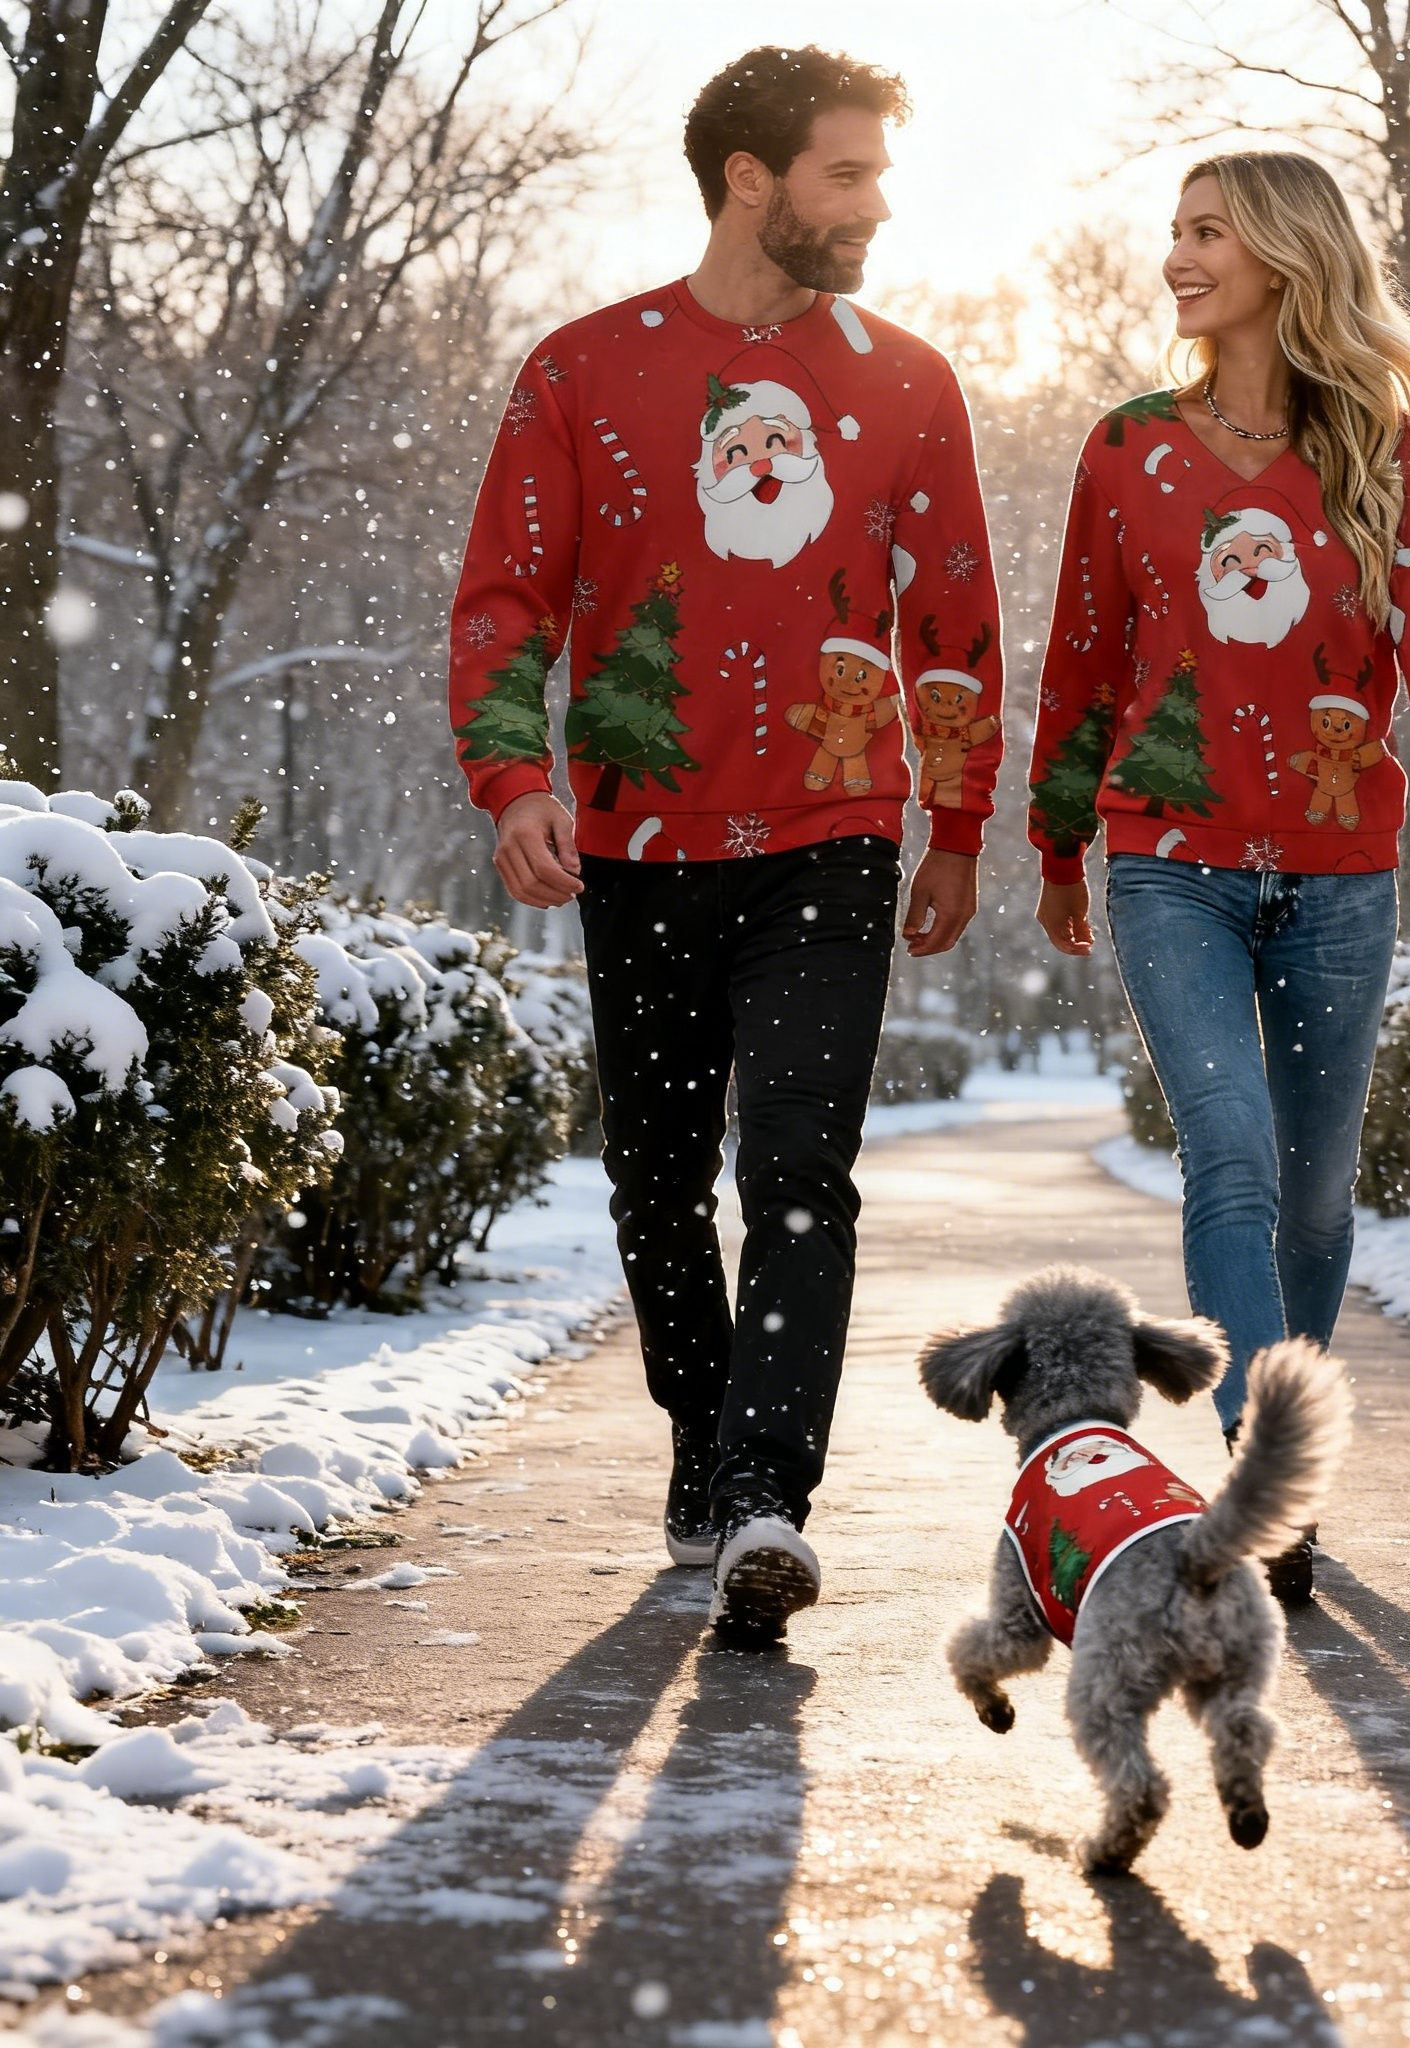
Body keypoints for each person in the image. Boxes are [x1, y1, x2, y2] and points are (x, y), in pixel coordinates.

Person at [447, 46, 1002, 1643]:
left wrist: (953, 822)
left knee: (802, 1168)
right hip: (637, 839)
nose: (876, 205)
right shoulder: (581, 373)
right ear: (750, 179)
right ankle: (702, 1433)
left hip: (834, 833)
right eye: (848, 174)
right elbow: (506, 601)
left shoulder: (909, 381)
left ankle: (768, 1496)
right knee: (656, 1183)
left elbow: (952, 621)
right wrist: (514, 777)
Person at [1027, 151, 1410, 1606]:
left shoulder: (1386, 443)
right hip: (1168, 863)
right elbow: (1085, 658)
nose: (1178, 256)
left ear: (1286, 256)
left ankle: (1284, 1461)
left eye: (1208, 233)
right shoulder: (1128, 450)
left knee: (1314, 1199)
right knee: (1230, 1153)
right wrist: (1060, 838)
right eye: (1173, 231)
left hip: (1337, 872)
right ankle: (1261, 1474)